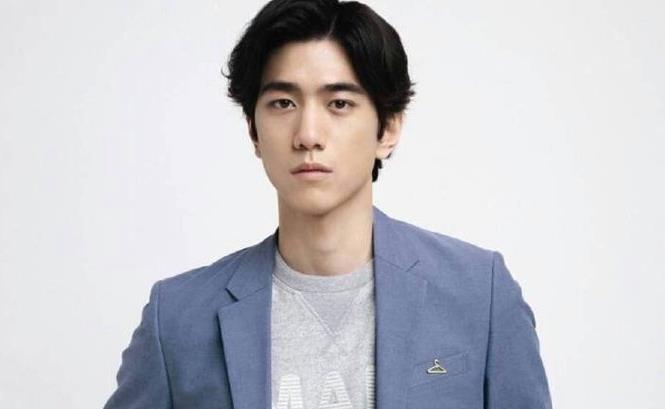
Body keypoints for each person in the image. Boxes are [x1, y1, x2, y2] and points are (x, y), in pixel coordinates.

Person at [104, 0, 553, 408]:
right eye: (283, 103)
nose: (308, 135)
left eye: (338, 103)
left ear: (388, 129)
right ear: (253, 131)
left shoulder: (479, 295)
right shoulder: (178, 319)